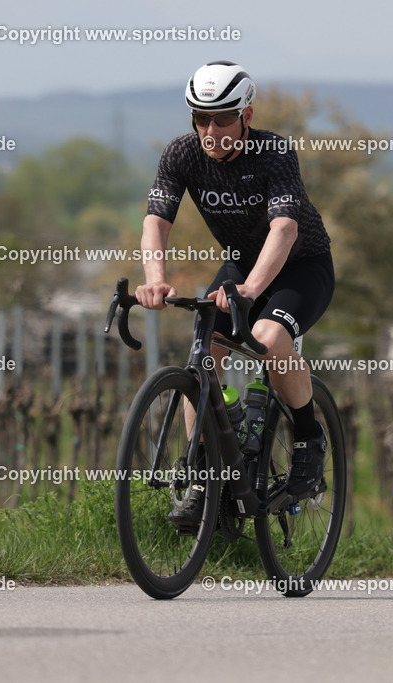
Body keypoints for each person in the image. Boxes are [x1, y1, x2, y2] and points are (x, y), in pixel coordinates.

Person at [135, 61, 335, 527]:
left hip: (300, 267)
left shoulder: (273, 152)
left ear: (246, 115)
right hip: (242, 266)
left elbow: (284, 229)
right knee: (203, 355)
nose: (210, 130)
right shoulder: (181, 154)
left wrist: (249, 290)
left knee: (268, 337)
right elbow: (155, 221)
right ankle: (207, 479)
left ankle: (309, 439)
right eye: (200, 118)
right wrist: (155, 279)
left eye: (221, 118)